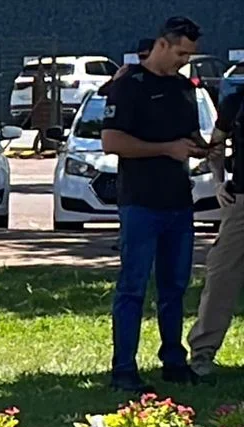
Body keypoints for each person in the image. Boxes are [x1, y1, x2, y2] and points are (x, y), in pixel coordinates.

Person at [102, 15, 207, 392]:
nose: (185, 60)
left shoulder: (183, 88)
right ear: (162, 44)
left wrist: (204, 148)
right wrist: (167, 149)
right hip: (141, 202)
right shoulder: (129, 85)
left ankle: (174, 362)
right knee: (132, 286)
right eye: (181, 52)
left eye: (190, 55)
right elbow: (112, 142)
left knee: (174, 287)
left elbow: (189, 135)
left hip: (179, 201)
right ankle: (124, 368)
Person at [186, 71, 244, 382]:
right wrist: (218, 181)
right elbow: (216, 146)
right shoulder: (235, 103)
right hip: (241, 202)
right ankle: (203, 351)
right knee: (221, 274)